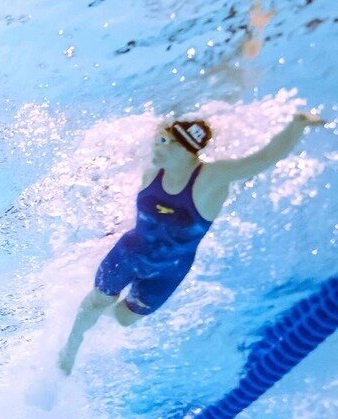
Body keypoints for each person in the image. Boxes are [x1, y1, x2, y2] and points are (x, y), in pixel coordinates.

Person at [57, 110, 326, 374]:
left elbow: (264, 159)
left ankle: (97, 309)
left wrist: (297, 125)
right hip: (128, 254)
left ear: (187, 150)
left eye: (166, 142)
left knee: (125, 318)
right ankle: (69, 350)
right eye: (159, 139)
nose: (157, 146)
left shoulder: (211, 179)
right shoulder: (154, 169)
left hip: (168, 271)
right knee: (97, 301)